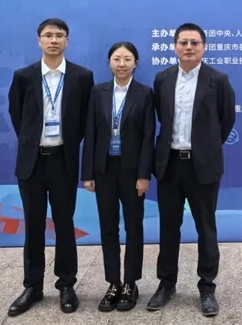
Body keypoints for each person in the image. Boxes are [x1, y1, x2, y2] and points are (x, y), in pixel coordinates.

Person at [146, 23, 236, 317]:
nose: (188, 47)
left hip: (203, 166)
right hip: (170, 165)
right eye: (183, 42)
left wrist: (205, 148)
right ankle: (166, 284)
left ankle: (207, 287)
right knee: (168, 226)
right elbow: (162, 117)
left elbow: (226, 121)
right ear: (174, 47)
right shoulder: (162, 79)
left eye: (194, 43)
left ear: (203, 47)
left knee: (205, 228)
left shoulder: (217, 80)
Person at [6, 18, 95, 317]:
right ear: (39, 40)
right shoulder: (23, 76)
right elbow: (17, 114)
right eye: (48, 35)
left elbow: (85, 120)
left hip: (63, 160)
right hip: (32, 162)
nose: (53, 40)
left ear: (67, 40)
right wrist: (33, 141)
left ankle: (66, 284)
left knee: (64, 223)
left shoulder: (82, 76)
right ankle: (32, 286)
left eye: (59, 35)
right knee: (33, 225)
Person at [81, 42, 155, 312]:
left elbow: (148, 137)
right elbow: (90, 133)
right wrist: (88, 173)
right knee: (108, 227)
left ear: (136, 63)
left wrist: (144, 175)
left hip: (132, 172)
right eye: (116, 58)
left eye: (127, 59)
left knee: (134, 227)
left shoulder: (145, 93)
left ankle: (130, 283)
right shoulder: (97, 92)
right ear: (109, 62)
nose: (121, 64)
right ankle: (113, 282)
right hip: (104, 171)